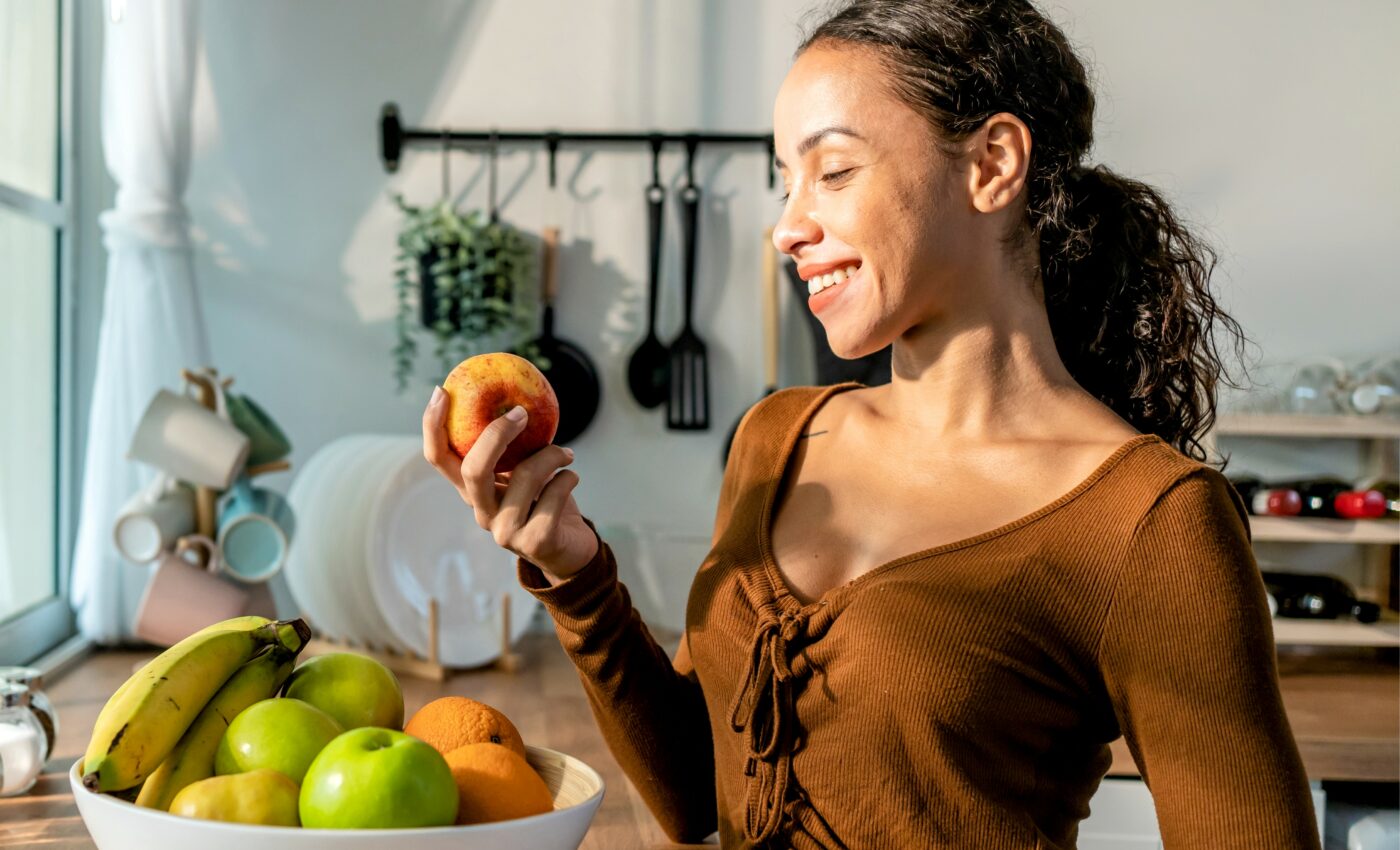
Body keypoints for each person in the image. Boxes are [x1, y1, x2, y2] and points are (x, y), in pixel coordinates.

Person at [421, 1, 1322, 847]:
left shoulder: (1151, 521)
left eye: (835, 171)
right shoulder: (776, 439)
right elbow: (697, 794)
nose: (786, 228)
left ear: (991, 165)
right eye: (785, 182)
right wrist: (572, 571)